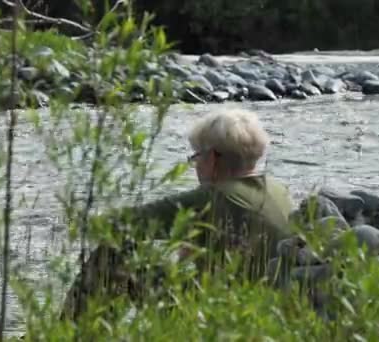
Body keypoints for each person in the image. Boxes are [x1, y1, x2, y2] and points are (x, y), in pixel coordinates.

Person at [59, 107, 295, 321]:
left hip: (217, 319)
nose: (195, 166)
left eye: (195, 157)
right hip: (262, 316)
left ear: (211, 158)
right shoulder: (279, 191)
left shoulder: (210, 198)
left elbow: (118, 224)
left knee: (116, 250)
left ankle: (67, 335)